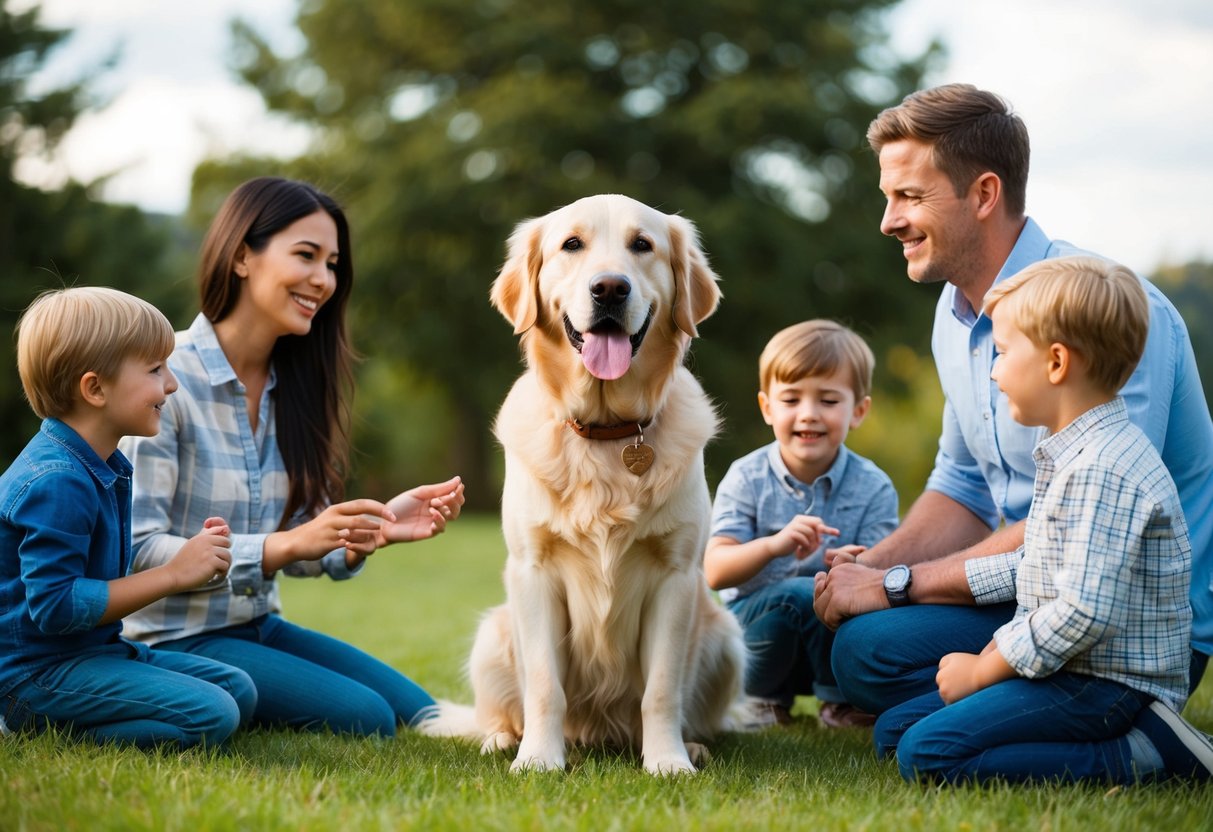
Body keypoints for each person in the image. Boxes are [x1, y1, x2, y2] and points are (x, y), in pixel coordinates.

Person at [811, 84, 1213, 778]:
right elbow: (962, 482)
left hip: (1123, 625)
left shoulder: (1105, 312)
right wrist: (869, 570)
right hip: (1035, 587)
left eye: (907, 196)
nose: (887, 221)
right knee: (855, 644)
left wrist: (901, 585)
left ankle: (1141, 741)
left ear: (983, 193)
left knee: (903, 704)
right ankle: (993, 707)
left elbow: (1089, 542)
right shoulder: (954, 313)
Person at [119, 177, 465, 738]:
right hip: (170, 638)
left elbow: (304, 544)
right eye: (305, 256)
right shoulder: (167, 379)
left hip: (258, 625)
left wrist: (367, 527)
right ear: (241, 257)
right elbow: (134, 548)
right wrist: (283, 546)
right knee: (370, 718)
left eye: (332, 264)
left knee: (423, 710)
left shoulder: (294, 386)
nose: (323, 280)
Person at [880, 256, 1212, 783]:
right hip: (1068, 664)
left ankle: (1145, 752)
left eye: (1004, 352)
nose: (993, 370)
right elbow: (1036, 565)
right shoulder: (1071, 453)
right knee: (893, 732)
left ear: (1056, 364)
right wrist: (935, 597)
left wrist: (987, 669)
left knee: (927, 753)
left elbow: (1083, 612)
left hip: (1108, 683)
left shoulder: (1105, 469)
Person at [0, 287, 256, 748]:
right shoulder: (58, 480)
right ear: (95, 388)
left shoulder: (102, 463)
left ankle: (80, 720)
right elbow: (57, 607)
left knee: (238, 688)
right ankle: (34, 728)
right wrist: (174, 574)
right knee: (213, 713)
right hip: (36, 676)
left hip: (95, 652)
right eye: (156, 369)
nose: (172, 384)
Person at [705, 320, 898, 728]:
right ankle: (761, 698)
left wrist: (857, 566)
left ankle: (843, 702)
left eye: (828, 401)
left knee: (845, 596)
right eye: (791, 399)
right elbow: (716, 571)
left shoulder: (874, 485)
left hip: (829, 637)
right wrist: (773, 546)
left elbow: (885, 572)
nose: (808, 415)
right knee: (797, 592)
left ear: (858, 411)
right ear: (767, 407)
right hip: (757, 637)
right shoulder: (746, 477)